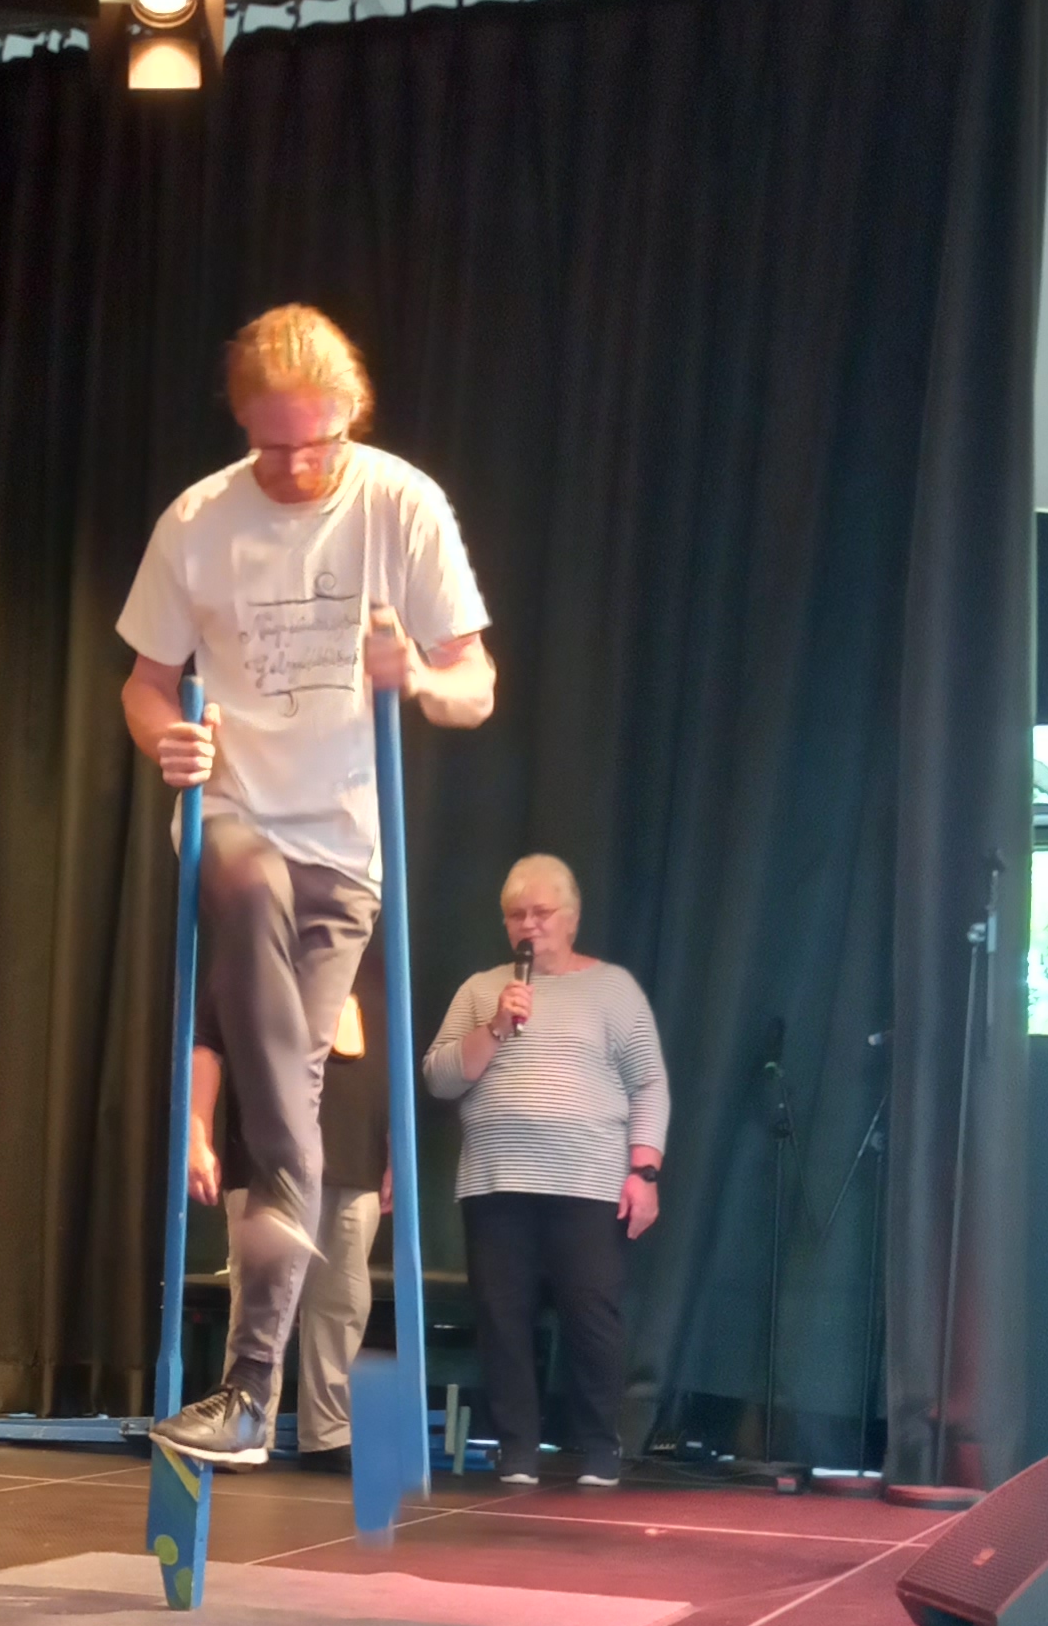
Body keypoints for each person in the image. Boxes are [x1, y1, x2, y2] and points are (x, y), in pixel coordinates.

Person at [119, 302, 492, 1467]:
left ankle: (247, 1399)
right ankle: (243, 1392)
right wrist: (166, 741)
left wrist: (417, 676)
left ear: (351, 418)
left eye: (317, 443)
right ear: (241, 422)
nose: (294, 467)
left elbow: (475, 682)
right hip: (234, 819)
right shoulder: (197, 520)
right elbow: (145, 683)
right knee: (240, 884)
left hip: (343, 849)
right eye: (270, 444)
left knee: (288, 1101)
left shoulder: (400, 503)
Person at [423, 854, 668, 1493]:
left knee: (592, 1317)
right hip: (496, 1181)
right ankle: (517, 1450)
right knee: (502, 1320)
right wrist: (496, 1026)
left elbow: (649, 1083)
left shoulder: (613, 989)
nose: (528, 925)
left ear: (572, 918)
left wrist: (644, 1171)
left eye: (541, 912)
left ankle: (599, 1447)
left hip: (588, 1183)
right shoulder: (482, 990)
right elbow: (439, 1077)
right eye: (516, 915)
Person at [190, 938, 390, 1463]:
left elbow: (386, 1061)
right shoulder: (250, 949)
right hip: (268, 1154)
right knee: (261, 1297)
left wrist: (394, 1151)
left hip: (354, 1154)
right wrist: (197, 1133)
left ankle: (330, 1434)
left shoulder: (370, 963)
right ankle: (247, 1425)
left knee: (342, 1301)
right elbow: (206, 1044)